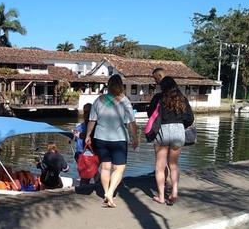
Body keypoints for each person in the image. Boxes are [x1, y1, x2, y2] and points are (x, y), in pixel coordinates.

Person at [86, 74, 139, 208]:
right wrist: (135, 137)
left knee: (105, 167)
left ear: (108, 85)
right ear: (121, 86)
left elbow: (92, 119)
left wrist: (88, 135)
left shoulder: (99, 100)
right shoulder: (125, 101)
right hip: (119, 139)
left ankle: (106, 192)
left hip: (100, 138)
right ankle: (110, 192)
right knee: (119, 168)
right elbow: (132, 122)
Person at [147, 76, 194, 205]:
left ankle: (161, 197)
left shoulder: (158, 98)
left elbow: (150, 114)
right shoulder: (182, 99)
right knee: (173, 165)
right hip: (178, 131)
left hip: (162, 130)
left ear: (162, 87)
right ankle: (174, 192)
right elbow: (190, 118)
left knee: (160, 166)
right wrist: (180, 125)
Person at [73, 103, 97, 185]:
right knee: (89, 174)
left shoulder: (81, 126)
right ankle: (97, 183)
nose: (85, 114)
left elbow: (88, 137)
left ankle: (83, 189)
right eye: (85, 112)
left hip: (85, 153)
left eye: (86, 112)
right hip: (83, 153)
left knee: (86, 176)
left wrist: (79, 135)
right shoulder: (80, 126)